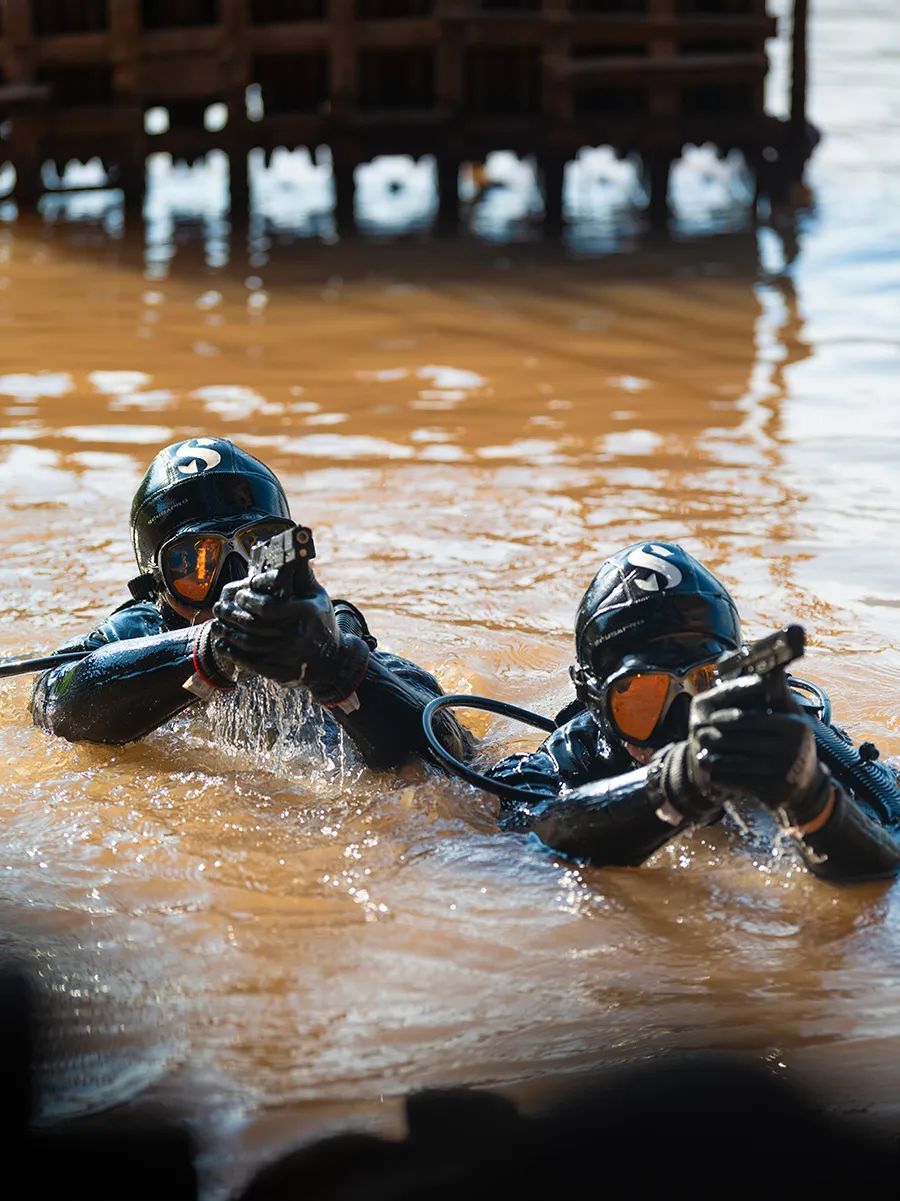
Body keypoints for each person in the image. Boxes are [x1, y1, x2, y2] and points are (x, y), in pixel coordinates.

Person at [31, 437, 469, 769]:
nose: (233, 579)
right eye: (197, 563)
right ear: (157, 583)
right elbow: (50, 702)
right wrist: (214, 649)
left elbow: (452, 745)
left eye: (260, 546)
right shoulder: (136, 632)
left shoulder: (324, 629)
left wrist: (335, 666)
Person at [488, 541, 900, 883]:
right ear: (592, 698)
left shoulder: (786, 736)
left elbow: (890, 841)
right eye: (643, 698)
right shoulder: (557, 768)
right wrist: (678, 784)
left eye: (706, 681)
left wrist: (812, 799)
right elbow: (521, 850)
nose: (682, 724)